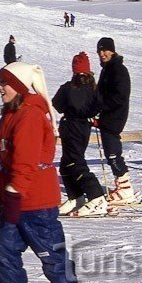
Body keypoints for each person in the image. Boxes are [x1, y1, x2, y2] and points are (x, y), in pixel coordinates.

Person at [0, 62, 81, 283]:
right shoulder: (12, 112)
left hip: (35, 196)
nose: (0, 87)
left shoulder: (30, 115)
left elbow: (26, 160)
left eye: (5, 82)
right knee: (6, 248)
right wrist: (8, 193)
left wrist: (14, 193)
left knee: (49, 251)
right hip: (14, 193)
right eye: (0, 82)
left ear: (20, 86)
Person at [52, 52, 106, 216]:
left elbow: (57, 104)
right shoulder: (93, 89)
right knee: (67, 162)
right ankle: (76, 196)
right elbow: (99, 106)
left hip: (71, 126)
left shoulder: (68, 87)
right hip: (83, 127)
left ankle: (96, 197)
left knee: (74, 162)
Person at [95, 37, 137, 204]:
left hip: (114, 117)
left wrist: (102, 108)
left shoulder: (118, 69)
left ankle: (126, 189)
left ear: (112, 51)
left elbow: (120, 96)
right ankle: (122, 185)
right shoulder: (108, 69)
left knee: (113, 153)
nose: (102, 54)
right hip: (107, 116)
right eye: (100, 51)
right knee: (110, 152)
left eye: (105, 50)